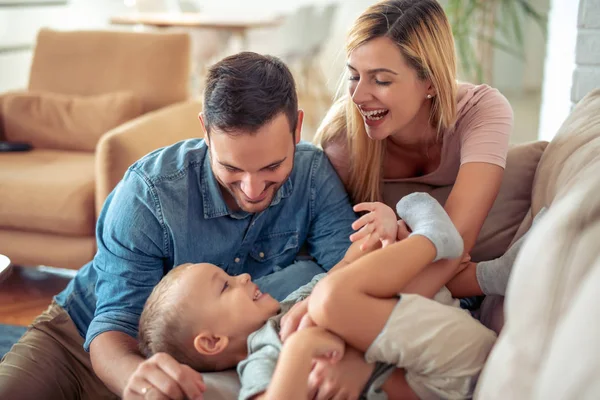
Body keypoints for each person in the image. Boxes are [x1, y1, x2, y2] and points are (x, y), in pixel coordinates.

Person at [0, 52, 362, 400]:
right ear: (206, 130)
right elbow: (113, 321)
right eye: (232, 169)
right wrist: (136, 379)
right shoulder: (149, 194)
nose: (252, 190)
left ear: (297, 127)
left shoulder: (313, 176)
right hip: (82, 340)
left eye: (272, 167)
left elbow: (354, 277)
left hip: (213, 369)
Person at [138, 193, 498, 400]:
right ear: (213, 341)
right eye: (225, 285)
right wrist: (301, 347)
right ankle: (436, 242)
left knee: (337, 293)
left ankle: (463, 262)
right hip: (441, 380)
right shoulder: (262, 355)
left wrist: (382, 229)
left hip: (442, 353)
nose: (243, 276)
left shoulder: (291, 304)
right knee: (331, 298)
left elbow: (349, 265)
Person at [313, 0, 514, 301]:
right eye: (354, 75)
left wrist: (345, 303)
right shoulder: (343, 139)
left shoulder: (481, 112)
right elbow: (351, 253)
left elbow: (450, 247)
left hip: (384, 291)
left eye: (381, 80)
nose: (357, 96)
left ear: (430, 83)